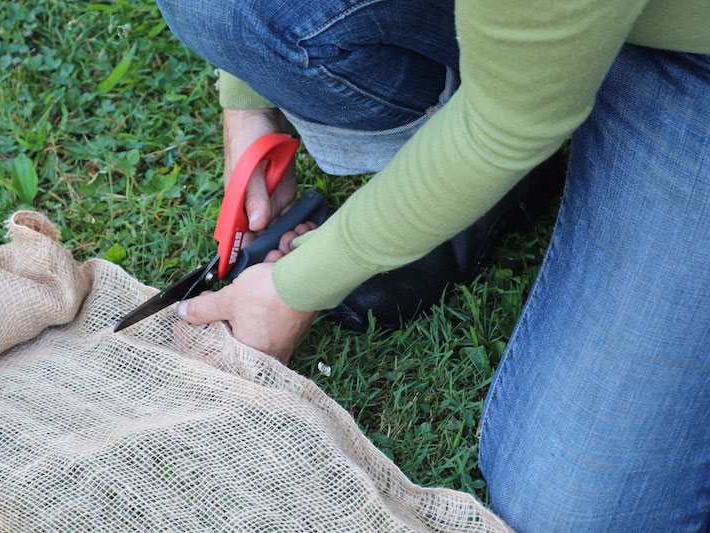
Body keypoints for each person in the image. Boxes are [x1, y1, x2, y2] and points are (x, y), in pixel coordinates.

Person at [156, 0, 710, 529]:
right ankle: (479, 171)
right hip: (529, 34)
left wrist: (296, 288)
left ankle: (482, 161)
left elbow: (501, 129)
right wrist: (249, 104)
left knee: (579, 512)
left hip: (692, 58)